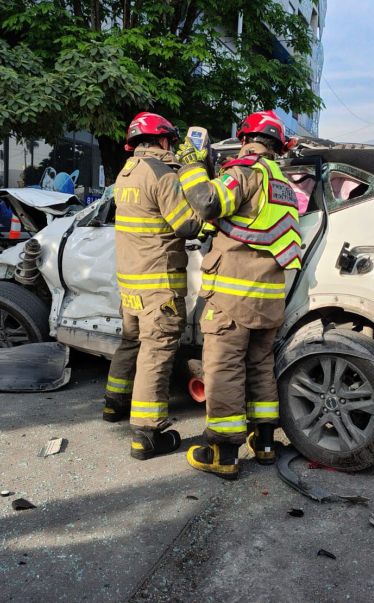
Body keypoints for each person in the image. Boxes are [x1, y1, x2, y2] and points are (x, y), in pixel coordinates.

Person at [178, 110, 302, 479]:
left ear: (246, 137)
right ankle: (264, 443)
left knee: (223, 369)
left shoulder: (245, 173)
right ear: (279, 146)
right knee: (260, 365)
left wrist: (191, 165)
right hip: (268, 298)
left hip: (233, 297)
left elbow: (206, 202)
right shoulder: (283, 184)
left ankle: (223, 451)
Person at [102, 112, 202, 462]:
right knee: (155, 352)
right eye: (170, 142)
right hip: (158, 284)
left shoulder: (126, 172)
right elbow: (187, 226)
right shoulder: (162, 174)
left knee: (131, 342)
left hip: (131, 283)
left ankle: (114, 403)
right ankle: (146, 434)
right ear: (163, 141)